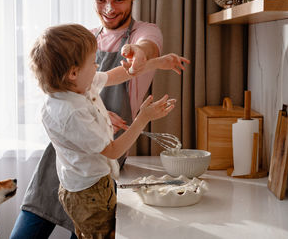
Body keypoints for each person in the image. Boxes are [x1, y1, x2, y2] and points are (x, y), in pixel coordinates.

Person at [10, 0, 167, 238]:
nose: (108, 9)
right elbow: (61, 93)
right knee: (28, 229)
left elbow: (146, 48)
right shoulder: (84, 39)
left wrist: (141, 54)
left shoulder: (144, 32)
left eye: (118, 0)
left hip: (100, 162)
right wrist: (99, 112)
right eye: (100, 0)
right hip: (63, 155)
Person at [30, 23, 188, 238]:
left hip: (90, 185)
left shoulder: (74, 86)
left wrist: (158, 63)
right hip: (90, 193)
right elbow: (113, 151)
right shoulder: (70, 112)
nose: (97, 67)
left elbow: (114, 76)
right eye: (93, 63)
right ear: (73, 72)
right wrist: (143, 118)